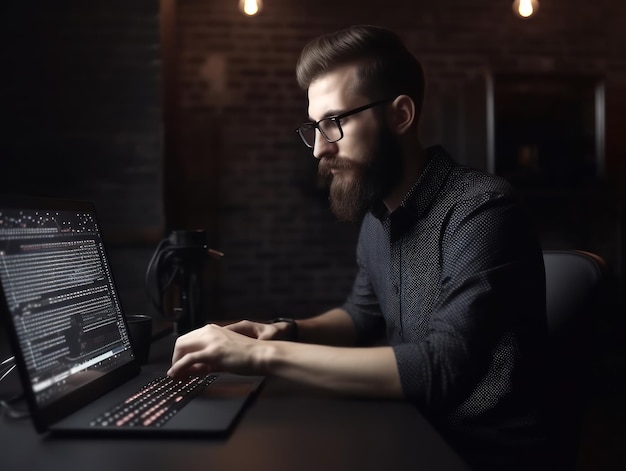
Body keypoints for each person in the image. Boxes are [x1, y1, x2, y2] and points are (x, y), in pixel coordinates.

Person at [168, 25, 552, 470]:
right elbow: (360, 314)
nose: (318, 149)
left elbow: (441, 368)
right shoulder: (378, 216)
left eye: (334, 123)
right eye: (314, 127)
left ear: (401, 115)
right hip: (412, 431)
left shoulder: (482, 209)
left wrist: (259, 355)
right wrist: (284, 330)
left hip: (480, 456)